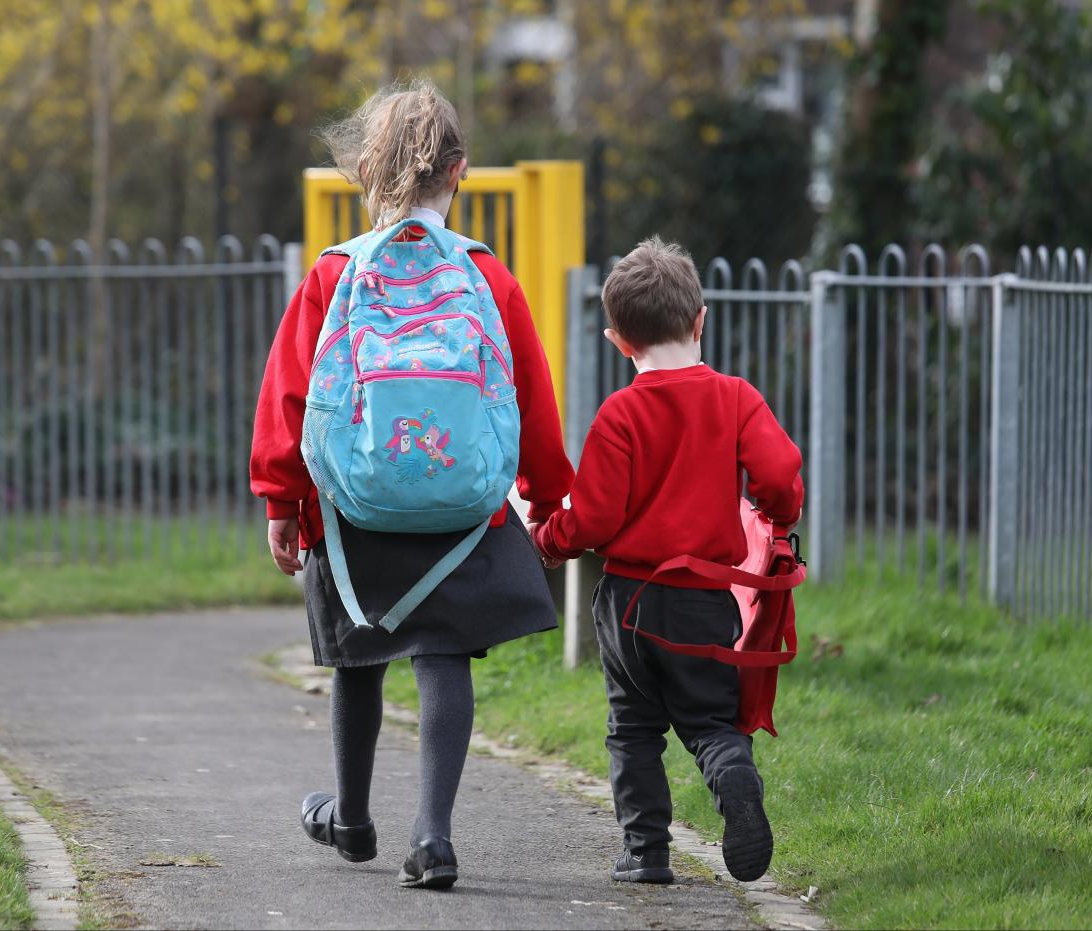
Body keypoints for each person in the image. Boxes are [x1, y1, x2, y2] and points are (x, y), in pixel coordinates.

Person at [250, 79, 573, 890]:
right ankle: (432, 835)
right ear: (460, 171)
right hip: (464, 509)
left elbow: (290, 395)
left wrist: (282, 500)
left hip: (355, 505)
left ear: (364, 169)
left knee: (358, 659)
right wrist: (547, 488)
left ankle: (353, 818)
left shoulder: (332, 276)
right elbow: (528, 391)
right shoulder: (487, 279)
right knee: (443, 655)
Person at [532, 237, 803, 885]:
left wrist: (544, 538)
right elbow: (782, 470)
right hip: (704, 598)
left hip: (627, 603)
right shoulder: (735, 397)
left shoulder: (620, 413)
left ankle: (646, 851)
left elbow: (592, 518)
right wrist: (775, 514)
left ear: (619, 341)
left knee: (632, 729)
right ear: (700, 318)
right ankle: (732, 773)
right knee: (710, 718)